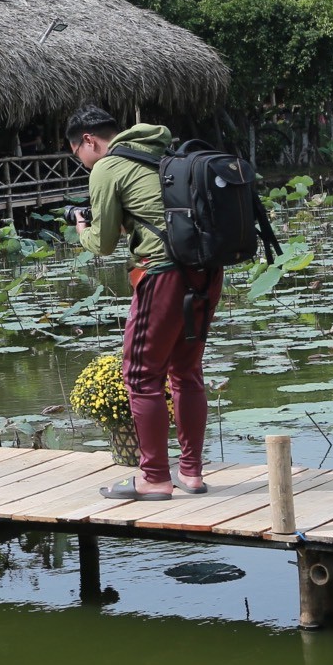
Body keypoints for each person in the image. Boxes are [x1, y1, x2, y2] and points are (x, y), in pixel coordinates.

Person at [66, 104, 220, 500]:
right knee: (186, 370)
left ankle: (153, 476)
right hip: (207, 268)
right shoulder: (164, 152)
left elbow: (101, 244)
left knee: (139, 375)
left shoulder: (108, 166)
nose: (83, 164)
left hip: (163, 272)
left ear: (88, 141)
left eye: (78, 156)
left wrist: (83, 227)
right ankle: (191, 473)